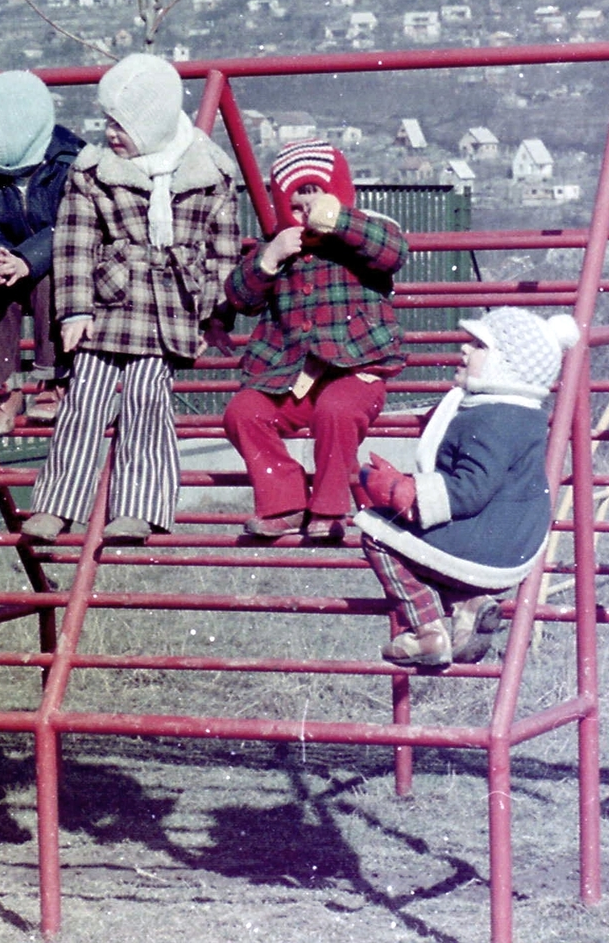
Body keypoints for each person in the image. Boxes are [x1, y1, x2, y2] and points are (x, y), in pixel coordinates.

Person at [20, 53, 241, 542]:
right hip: (109, 304)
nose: (110, 133)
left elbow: (222, 252)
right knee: (84, 399)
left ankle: (139, 507)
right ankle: (57, 504)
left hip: (171, 311)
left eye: (121, 124)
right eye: (107, 122)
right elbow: (74, 243)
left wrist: (213, 319)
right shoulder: (94, 170)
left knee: (147, 399)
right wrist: (73, 311)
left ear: (151, 122)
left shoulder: (210, 173)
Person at [354, 307, 581, 668]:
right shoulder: (520, 413)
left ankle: (427, 630)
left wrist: (404, 492)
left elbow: (471, 489)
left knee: (377, 531)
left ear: (505, 366)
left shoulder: (492, 419)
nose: (464, 349)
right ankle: (468, 604)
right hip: (514, 540)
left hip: (488, 543)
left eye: (478, 345)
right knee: (429, 552)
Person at [223, 139, 408, 542]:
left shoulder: (365, 232)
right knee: (243, 412)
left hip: (357, 369)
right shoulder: (277, 244)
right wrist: (267, 259)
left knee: (337, 411)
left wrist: (338, 221)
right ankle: (283, 502)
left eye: (316, 197)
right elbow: (240, 297)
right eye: (297, 203)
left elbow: (393, 253)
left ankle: (330, 508)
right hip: (290, 374)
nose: (307, 212)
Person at [0, 69, 86, 436]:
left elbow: (71, 225)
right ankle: (2, 387)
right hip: (13, 266)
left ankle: (54, 380)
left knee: (50, 277)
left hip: (61, 264)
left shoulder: (70, 165)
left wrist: (27, 259)